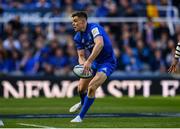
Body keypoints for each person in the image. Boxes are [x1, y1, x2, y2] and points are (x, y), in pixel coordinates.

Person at [69, 11, 117, 122]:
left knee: (91, 87)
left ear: (83, 21)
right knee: (80, 88)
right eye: (73, 22)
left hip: (107, 62)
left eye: (75, 21)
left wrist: (89, 61)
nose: (73, 24)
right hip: (94, 62)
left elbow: (100, 44)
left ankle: (80, 117)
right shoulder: (77, 37)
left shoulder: (94, 28)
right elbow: (80, 55)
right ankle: (82, 102)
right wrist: (83, 64)